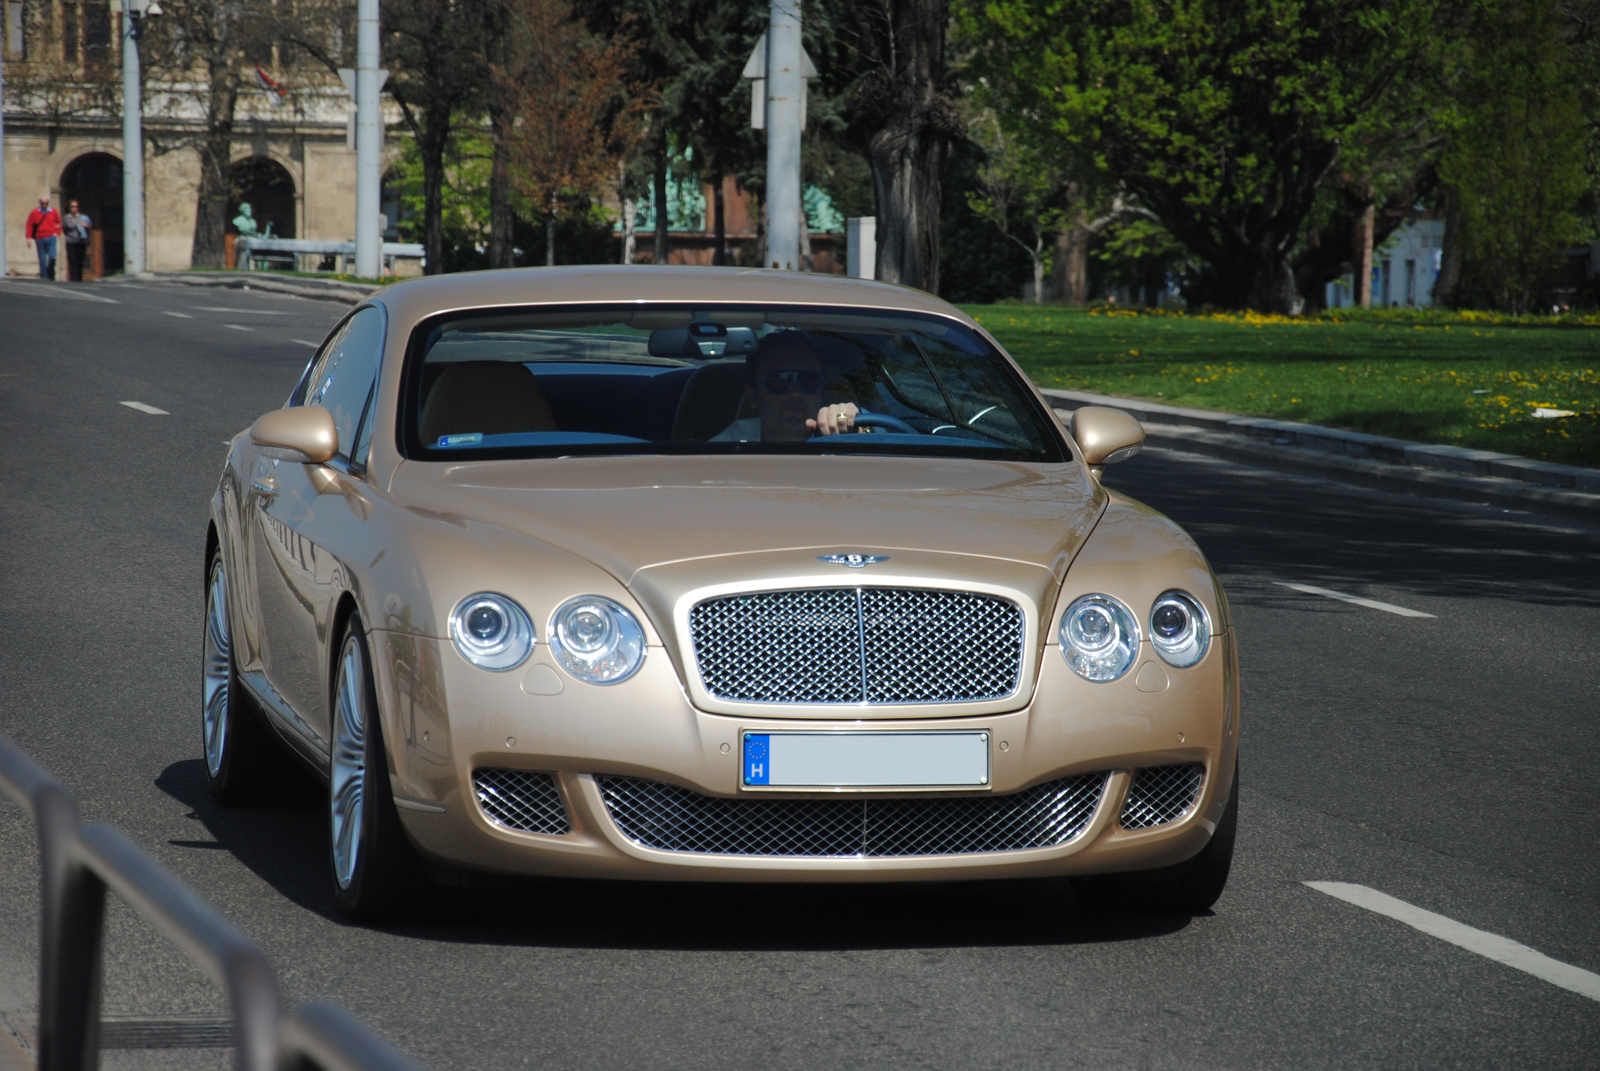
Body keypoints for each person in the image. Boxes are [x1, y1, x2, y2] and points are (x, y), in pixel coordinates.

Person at [711, 332, 860, 443]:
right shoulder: (725, 449)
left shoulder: (847, 436)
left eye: (808, 380)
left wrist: (856, 427)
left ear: (821, 391)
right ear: (753, 396)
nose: (795, 392)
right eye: (779, 380)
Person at [25, 194, 62, 281]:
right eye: (42, 203)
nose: (44, 205)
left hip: (51, 237)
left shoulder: (53, 211)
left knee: (52, 257)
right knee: (42, 260)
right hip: (40, 238)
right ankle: (44, 277)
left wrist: (57, 233)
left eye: (46, 203)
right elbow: (30, 225)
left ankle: (51, 275)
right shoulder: (35, 212)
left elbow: (59, 223)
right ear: (40, 203)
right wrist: (28, 238)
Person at [62, 200, 92, 282]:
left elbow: (89, 225)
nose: (74, 208)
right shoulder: (66, 218)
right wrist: (78, 224)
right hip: (71, 241)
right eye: (72, 207)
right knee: (73, 260)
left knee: (80, 260)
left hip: (81, 241)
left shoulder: (83, 217)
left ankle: (79, 278)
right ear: (69, 208)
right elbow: (69, 226)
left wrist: (86, 225)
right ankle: (74, 279)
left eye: (76, 207)